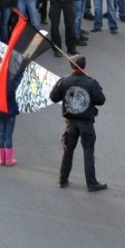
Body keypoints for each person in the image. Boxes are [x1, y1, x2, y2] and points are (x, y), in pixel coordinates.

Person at [49, 54, 106, 191]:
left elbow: (53, 97)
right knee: (88, 151)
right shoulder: (91, 82)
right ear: (84, 66)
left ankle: (62, 179)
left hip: (70, 122)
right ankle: (91, 183)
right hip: (86, 123)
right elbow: (101, 100)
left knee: (68, 150)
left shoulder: (64, 81)